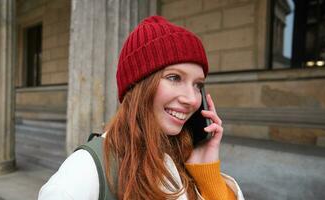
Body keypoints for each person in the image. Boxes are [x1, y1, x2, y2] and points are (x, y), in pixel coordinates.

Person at [39, 15, 244, 200]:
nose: (192, 99)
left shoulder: (187, 160)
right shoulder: (83, 173)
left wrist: (207, 173)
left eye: (197, 84)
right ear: (137, 87)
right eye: (174, 77)